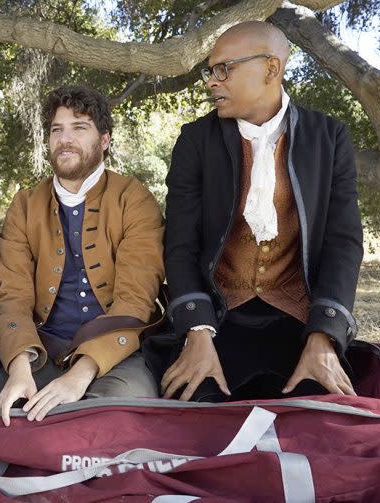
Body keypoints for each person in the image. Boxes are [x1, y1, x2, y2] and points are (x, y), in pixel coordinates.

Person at [153, 21, 363, 402]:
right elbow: (180, 245)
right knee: (197, 410)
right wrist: (195, 331)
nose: (211, 82)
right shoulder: (195, 141)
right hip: (216, 318)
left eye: (224, 69)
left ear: (271, 68)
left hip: (300, 321)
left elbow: (343, 244)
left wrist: (324, 338)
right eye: (210, 71)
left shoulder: (329, 138)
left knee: (323, 417)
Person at [0, 84, 164, 426]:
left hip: (117, 355)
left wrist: (79, 376)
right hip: (38, 349)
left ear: (104, 140)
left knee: (117, 418)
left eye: (79, 128)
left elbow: (136, 300)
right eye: (57, 130)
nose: (65, 139)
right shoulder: (25, 205)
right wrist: (19, 368)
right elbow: (12, 295)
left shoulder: (133, 198)